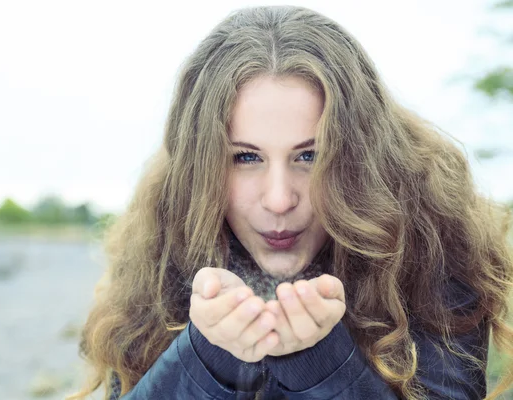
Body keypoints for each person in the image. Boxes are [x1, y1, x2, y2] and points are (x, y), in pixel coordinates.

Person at [69, 6, 513, 400]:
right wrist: (208, 357)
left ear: (361, 158)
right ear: (202, 167)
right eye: (245, 157)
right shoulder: (166, 241)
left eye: (310, 156)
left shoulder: (433, 238)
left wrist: (321, 362)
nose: (279, 199)